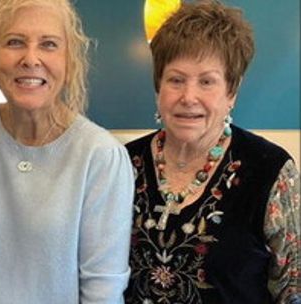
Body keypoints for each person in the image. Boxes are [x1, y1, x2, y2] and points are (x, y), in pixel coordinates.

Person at [0, 0, 134, 303]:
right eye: (15, 42)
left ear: (69, 63)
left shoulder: (100, 156)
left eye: (48, 45)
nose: (31, 59)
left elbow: (103, 292)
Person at [124, 1, 301, 303]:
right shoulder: (123, 164)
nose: (188, 97)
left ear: (231, 91)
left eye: (207, 81)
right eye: (176, 80)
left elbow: (292, 287)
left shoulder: (270, 170)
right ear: (158, 87)